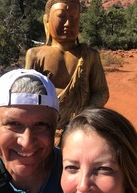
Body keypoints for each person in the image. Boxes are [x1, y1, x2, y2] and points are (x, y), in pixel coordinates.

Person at [25, 0, 109, 133]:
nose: (68, 23)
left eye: (74, 17)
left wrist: (84, 116)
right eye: (61, 16)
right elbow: (28, 95)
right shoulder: (36, 55)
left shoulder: (89, 55)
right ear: (46, 21)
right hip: (45, 126)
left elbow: (101, 92)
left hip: (80, 126)